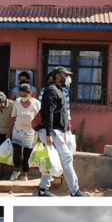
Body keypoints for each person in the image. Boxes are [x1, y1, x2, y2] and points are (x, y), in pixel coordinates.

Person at [37, 66, 88, 197]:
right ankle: (75, 191)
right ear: (58, 76)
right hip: (52, 131)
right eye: (65, 75)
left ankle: (42, 190)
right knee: (66, 157)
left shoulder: (60, 90)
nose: (68, 78)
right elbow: (48, 113)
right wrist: (48, 133)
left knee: (52, 159)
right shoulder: (52, 90)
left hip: (56, 131)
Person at [7, 83, 41, 182]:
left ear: (29, 93)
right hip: (17, 132)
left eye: (24, 95)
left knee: (27, 155)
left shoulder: (36, 103)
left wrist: (39, 134)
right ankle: (16, 170)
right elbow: (13, 117)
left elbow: (40, 119)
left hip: (30, 133)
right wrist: (9, 131)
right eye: (21, 95)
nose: (22, 97)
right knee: (16, 154)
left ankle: (24, 174)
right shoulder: (17, 102)